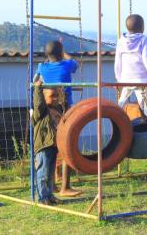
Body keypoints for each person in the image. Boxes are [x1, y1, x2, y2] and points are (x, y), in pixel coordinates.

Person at [35, 40, 82, 197]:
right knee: (66, 145)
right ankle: (65, 186)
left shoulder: (42, 67)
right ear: (61, 53)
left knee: (52, 145)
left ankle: (52, 184)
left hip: (49, 110)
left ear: (47, 55)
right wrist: (64, 52)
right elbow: (75, 64)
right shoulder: (66, 65)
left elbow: (37, 79)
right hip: (65, 109)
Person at [115, 14, 147, 127]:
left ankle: (119, 119)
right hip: (142, 78)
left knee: (122, 101)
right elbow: (146, 58)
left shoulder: (121, 41)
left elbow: (118, 62)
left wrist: (118, 80)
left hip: (126, 79)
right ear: (142, 27)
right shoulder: (144, 39)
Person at [32, 79, 64, 206]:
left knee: (50, 174)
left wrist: (62, 90)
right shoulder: (41, 111)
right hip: (44, 146)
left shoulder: (57, 109)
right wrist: (38, 90)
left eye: (57, 95)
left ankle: (50, 195)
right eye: (52, 96)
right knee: (42, 172)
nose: (55, 98)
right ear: (44, 97)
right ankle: (42, 197)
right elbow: (38, 103)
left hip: (53, 146)